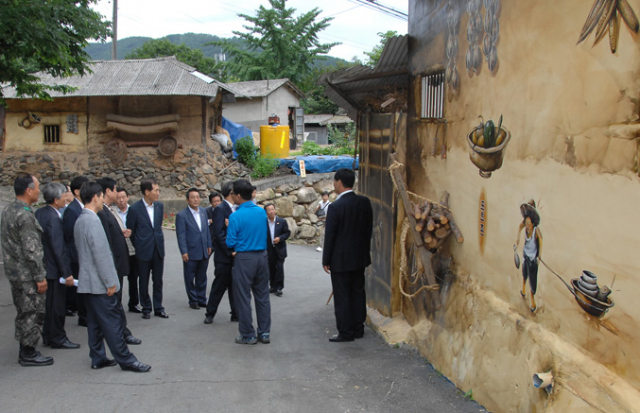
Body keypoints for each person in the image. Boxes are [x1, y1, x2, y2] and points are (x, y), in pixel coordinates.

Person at [74, 181, 150, 372]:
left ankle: (98, 356)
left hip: (88, 282)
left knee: (94, 322)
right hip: (100, 283)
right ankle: (127, 360)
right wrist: (110, 282)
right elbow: (101, 254)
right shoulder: (92, 220)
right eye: (101, 196)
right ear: (95, 197)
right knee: (112, 322)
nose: (103, 200)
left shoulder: (81, 219)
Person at [1, 173, 54, 366]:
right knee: (33, 311)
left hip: (15, 272)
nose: (39, 191)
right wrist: (40, 276)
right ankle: (28, 352)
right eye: (37, 187)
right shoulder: (25, 214)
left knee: (23, 311)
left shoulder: (9, 210)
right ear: (29, 190)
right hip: (27, 274)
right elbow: (31, 250)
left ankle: (25, 348)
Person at [322, 168, 373, 343]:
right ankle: (359, 328)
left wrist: (326, 260)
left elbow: (330, 236)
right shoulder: (364, 202)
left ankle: (345, 332)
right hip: (359, 258)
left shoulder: (336, 207)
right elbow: (368, 230)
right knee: (358, 293)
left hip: (340, 260)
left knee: (342, 295)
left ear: (339, 182)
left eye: (334, 182)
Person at [96, 178, 142, 345]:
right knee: (113, 304)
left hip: (117, 264)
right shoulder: (102, 212)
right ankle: (120, 334)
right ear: (108, 191)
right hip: (113, 266)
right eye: (115, 190)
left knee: (115, 302)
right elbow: (105, 243)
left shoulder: (107, 210)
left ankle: (121, 332)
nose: (117, 194)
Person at [35, 182, 80, 350]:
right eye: (63, 195)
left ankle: (48, 335)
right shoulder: (54, 218)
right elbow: (58, 247)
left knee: (50, 306)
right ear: (55, 199)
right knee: (57, 306)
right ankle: (58, 337)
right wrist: (67, 272)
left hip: (47, 267)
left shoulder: (40, 213)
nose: (65, 198)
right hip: (54, 270)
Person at [227, 179, 271, 345]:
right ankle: (264, 332)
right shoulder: (261, 212)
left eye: (233, 194)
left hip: (244, 258)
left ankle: (248, 334)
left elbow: (230, 242)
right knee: (262, 295)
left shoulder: (235, 216)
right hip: (262, 256)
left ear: (238, 195)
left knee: (243, 297)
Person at [127, 177, 168, 319]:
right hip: (143, 250)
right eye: (156, 190)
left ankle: (158, 307)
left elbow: (157, 227)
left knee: (158, 280)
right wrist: (140, 243)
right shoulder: (134, 209)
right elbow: (131, 231)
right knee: (143, 280)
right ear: (146, 192)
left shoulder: (159, 206)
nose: (158, 193)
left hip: (158, 248)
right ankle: (146, 307)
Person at [204, 182, 237, 324]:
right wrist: (230, 252)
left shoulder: (238, 208)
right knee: (219, 286)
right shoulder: (220, 209)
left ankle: (235, 313)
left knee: (235, 287)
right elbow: (219, 234)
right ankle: (210, 313)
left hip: (237, 256)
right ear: (231, 192)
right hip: (224, 257)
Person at [176, 188, 212, 309]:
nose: (196, 199)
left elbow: (206, 230)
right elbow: (181, 235)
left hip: (203, 249)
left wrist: (209, 245)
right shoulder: (182, 215)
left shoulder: (203, 211)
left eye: (197, 197)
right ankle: (193, 300)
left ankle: (202, 298)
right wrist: (184, 251)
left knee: (202, 276)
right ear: (187, 199)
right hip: (190, 251)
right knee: (190, 277)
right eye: (193, 197)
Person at [62, 175, 89, 325]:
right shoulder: (72, 210)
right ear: (77, 191)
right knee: (80, 287)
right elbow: (70, 237)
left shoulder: (82, 207)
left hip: (83, 254)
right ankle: (83, 316)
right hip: (77, 255)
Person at [115, 187, 141, 313]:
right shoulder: (111, 212)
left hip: (132, 249)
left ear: (127, 197)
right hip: (119, 250)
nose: (121, 200)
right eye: (118, 198)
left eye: (123, 197)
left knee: (133, 277)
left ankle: (134, 303)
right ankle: (117, 304)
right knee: (118, 278)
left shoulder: (134, 210)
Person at [516, 200, 543, 313]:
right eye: (526, 223)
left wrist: (539, 256)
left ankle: (532, 302)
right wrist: (517, 238)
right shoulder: (525, 225)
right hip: (526, 255)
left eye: (528, 223)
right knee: (524, 274)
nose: (527, 225)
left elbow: (540, 241)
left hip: (533, 259)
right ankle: (523, 290)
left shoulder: (536, 230)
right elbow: (519, 227)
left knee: (532, 281)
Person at [265, 203, 290, 297]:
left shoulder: (282, 221)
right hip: (269, 248)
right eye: (269, 210)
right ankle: (272, 286)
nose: (272, 211)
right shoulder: (264, 222)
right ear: (266, 212)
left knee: (279, 268)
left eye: (273, 209)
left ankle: (279, 287)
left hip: (280, 248)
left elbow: (287, 233)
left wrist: (280, 238)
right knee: (271, 268)